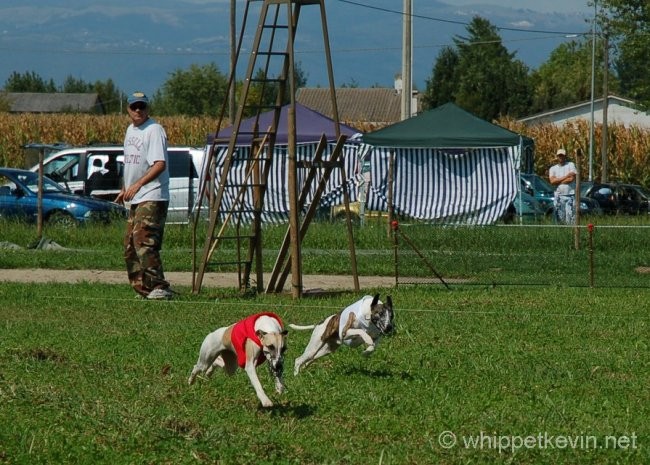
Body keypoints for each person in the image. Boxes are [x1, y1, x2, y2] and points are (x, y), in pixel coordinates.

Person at [115, 91, 173, 300]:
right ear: (128, 109)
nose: (138, 110)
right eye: (134, 106)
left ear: (148, 108)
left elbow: (159, 164)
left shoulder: (154, 130)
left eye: (142, 106)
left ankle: (160, 287)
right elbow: (130, 163)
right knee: (130, 247)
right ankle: (144, 289)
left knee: (144, 241)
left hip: (152, 194)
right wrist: (125, 188)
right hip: (136, 196)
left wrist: (138, 185)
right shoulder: (131, 130)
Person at [548, 148, 577, 224]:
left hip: (570, 195)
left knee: (570, 218)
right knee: (559, 217)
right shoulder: (553, 168)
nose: (561, 157)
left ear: (565, 156)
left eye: (562, 155)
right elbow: (552, 181)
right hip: (559, 196)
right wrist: (566, 176)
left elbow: (571, 179)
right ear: (557, 157)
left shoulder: (571, 165)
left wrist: (558, 181)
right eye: (559, 156)